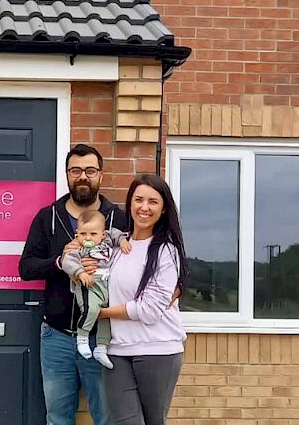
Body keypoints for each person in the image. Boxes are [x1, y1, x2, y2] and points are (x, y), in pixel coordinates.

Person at [19, 144, 127, 425]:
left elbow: (136, 271)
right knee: (57, 418)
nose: (83, 176)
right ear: (67, 175)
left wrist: (105, 267)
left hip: (103, 337)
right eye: (76, 170)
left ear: (100, 175)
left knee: (106, 417)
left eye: (90, 170)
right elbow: (26, 267)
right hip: (57, 336)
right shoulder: (48, 218)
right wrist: (60, 262)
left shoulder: (119, 219)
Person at [99, 173, 188, 425]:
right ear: (129, 203)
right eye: (138, 199)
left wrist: (102, 313)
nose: (144, 207)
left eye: (153, 202)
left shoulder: (166, 251)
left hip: (158, 350)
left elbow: (149, 310)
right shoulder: (116, 247)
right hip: (115, 350)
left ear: (163, 209)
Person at [60, 210, 129, 370]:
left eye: (93, 233)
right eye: (83, 233)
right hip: (89, 285)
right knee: (91, 310)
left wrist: (123, 240)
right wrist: (80, 272)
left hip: (107, 285)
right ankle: (82, 337)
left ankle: (101, 347)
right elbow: (68, 263)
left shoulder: (107, 242)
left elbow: (116, 233)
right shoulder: (78, 249)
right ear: (77, 234)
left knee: (107, 316)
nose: (88, 238)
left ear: (102, 234)